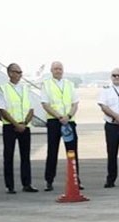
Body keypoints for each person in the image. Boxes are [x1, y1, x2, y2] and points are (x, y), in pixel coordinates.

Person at [41, 61, 82, 192]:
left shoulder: (69, 84)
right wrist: (59, 117)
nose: (58, 71)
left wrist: (68, 116)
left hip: (69, 121)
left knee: (72, 152)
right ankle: (49, 180)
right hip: (54, 121)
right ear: (51, 71)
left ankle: (76, 179)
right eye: (55, 69)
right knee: (52, 152)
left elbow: (75, 104)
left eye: (60, 69)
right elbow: (45, 104)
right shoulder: (46, 85)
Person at [0, 63, 38, 194]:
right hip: (10, 126)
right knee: (8, 156)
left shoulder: (25, 88)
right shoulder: (3, 89)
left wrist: (25, 124)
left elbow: (31, 108)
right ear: (10, 73)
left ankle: (27, 183)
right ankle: (10, 185)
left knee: (25, 156)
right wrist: (16, 124)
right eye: (17, 72)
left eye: (21, 72)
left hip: (24, 125)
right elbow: (2, 110)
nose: (20, 75)